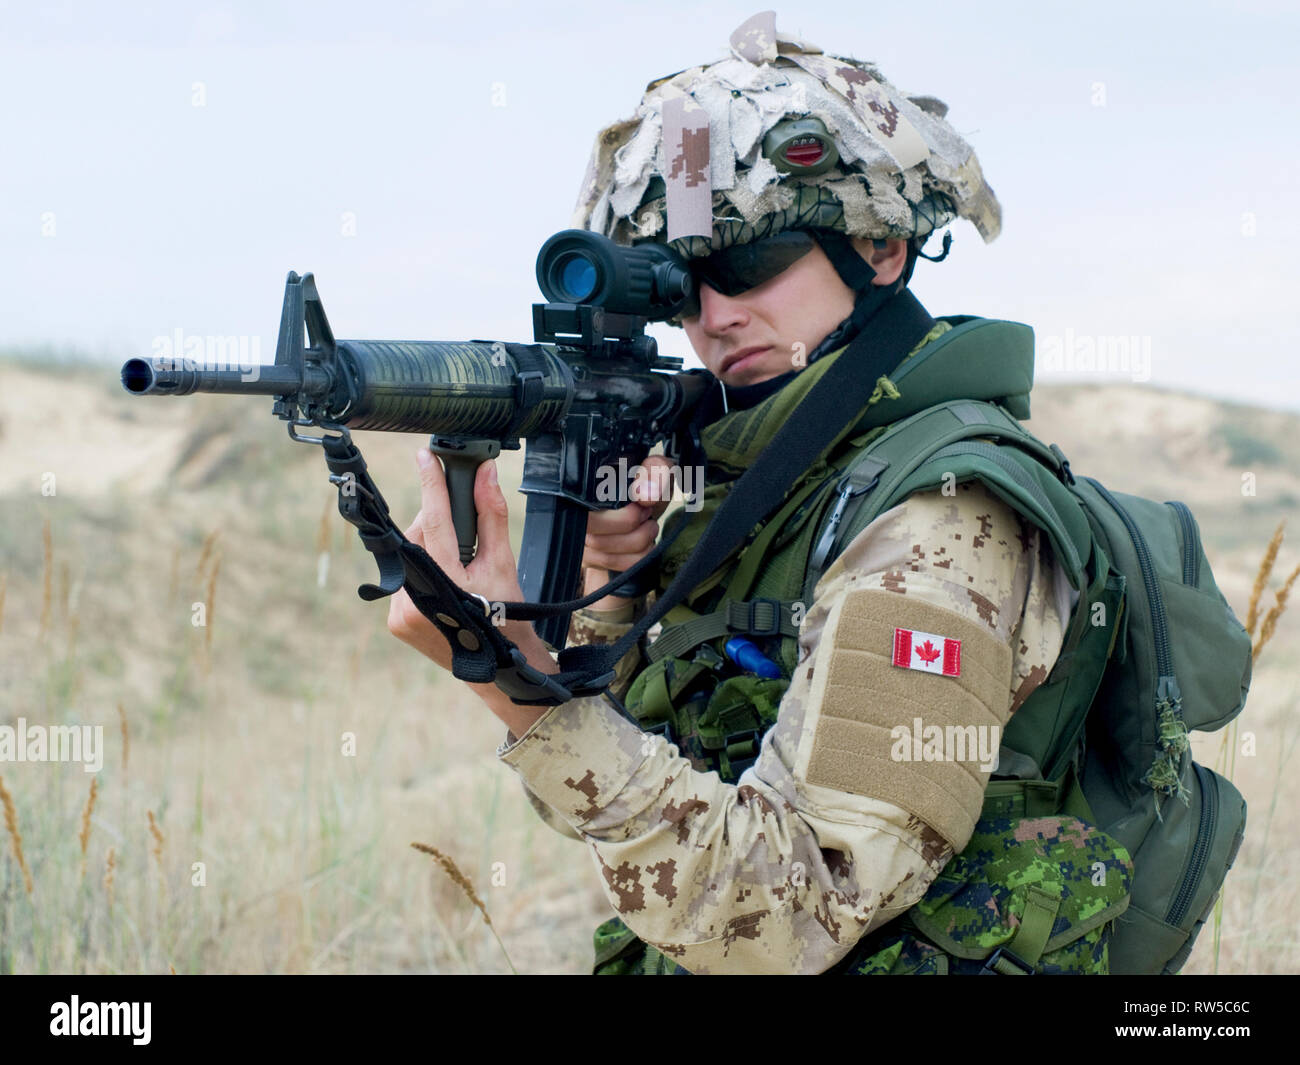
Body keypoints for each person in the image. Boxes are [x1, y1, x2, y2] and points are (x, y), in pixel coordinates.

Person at [386, 13, 1099, 974]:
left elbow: (790, 913)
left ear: (880, 247)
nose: (716, 315)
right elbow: (632, 822)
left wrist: (522, 690)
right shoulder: (782, 487)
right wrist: (617, 587)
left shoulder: (941, 517)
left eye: (752, 259)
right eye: (684, 286)